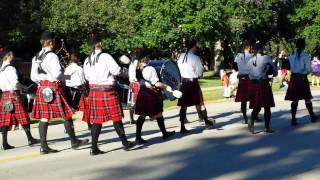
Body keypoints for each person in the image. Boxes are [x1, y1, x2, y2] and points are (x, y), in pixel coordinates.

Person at [30, 31, 89, 154]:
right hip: (53, 88)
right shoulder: (52, 56)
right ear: (50, 42)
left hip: (42, 89)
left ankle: (43, 146)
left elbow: (33, 77)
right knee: (67, 114)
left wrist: (43, 82)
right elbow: (57, 74)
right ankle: (74, 141)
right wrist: (64, 77)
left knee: (44, 117)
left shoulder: (35, 57)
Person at [83, 35, 136, 156]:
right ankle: (125, 143)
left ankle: (94, 148)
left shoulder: (87, 59)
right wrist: (124, 72)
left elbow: (86, 77)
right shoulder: (105, 56)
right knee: (116, 118)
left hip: (94, 92)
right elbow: (117, 71)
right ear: (100, 43)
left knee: (97, 121)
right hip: (107, 91)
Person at [134, 52, 177, 144]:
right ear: (145, 58)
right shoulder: (149, 69)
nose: (149, 58)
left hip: (142, 92)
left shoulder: (136, 69)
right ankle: (164, 133)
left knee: (142, 115)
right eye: (148, 56)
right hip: (151, 92)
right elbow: (156, 83)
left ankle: (138, 137)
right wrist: (166, 87)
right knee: (158, 113)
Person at [0, 51, 39, 150]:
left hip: (4, 96)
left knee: (5, 121)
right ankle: (30, 139)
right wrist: (24, 88)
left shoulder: (1, 69)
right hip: (13, 95)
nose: (13, 56)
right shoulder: (10, 68)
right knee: (23, 117)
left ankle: (4, 144)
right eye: (11, 54)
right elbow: (15, 83)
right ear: (8, 56)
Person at [177, 39, 214, 133]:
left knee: (183, 105)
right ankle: (206, 122)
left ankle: (182, 127)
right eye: (196, 46)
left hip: (183, 83)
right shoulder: (195, 58)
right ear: (194, 47)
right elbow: (199, 73)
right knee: (200, 103)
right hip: (193, 82)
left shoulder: (180, 56)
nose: (197, 48)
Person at [285, 38, 318, 126]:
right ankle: (312, 116)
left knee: (295, 99)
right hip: (302, 78)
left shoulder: (291, 55)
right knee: (307, 98)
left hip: (294, 78)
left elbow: (289, 66)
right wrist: (307, 72)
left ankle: (293, 119)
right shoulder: (305, 56)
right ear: (303, 45)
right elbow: (308, 69)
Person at [247, 43, 276, 134]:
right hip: (263, 83)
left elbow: (248, 74)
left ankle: (251, 119)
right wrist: (270, 73)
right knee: (267, 106)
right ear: (261, 49)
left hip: (253, 84)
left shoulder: (249, 60)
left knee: (257, 105)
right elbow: (274, 71)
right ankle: (267, 127)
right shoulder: (266, 58)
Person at [234, 41, 255, 124]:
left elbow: (234, 67)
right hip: (250, 79)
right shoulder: (252, 56)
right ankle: (254, 116)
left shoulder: (238, 56)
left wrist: (240, 70)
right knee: (253, 98)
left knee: (244, 100)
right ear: (249, 48)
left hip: (242, 79)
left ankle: (245, 117)